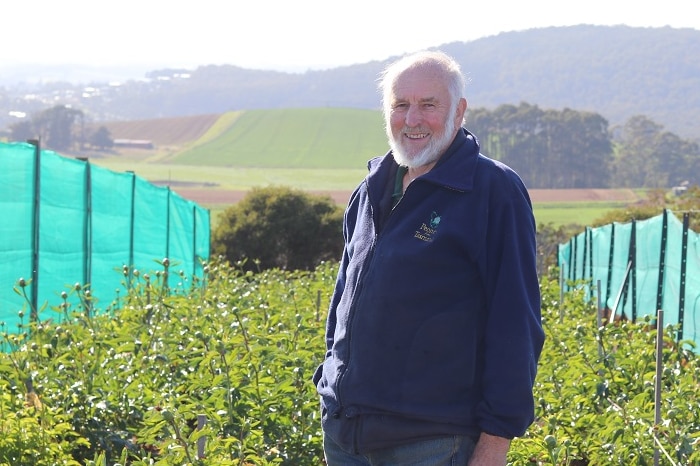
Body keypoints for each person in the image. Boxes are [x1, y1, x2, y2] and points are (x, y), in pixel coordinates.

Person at [312, 50, 545, 465]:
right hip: (346, 438)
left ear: (459, 112)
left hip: (432, 440)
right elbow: (344, 299)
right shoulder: (370, 190)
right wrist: (329, 382)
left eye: (428, 105)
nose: (412, 119)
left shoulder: (492, 191)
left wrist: (494, 445)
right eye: (400, 105)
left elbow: (516, 324)